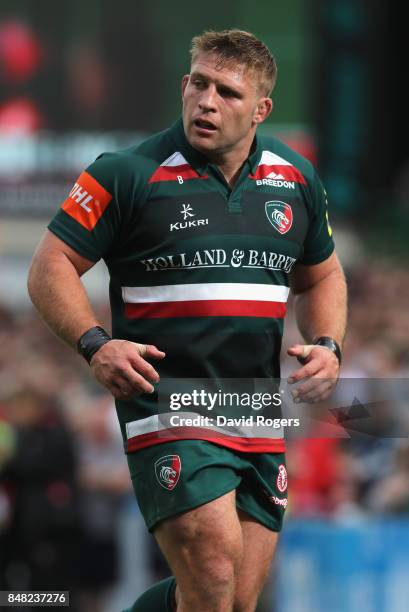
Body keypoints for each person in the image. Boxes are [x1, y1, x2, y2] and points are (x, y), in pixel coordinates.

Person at [28, 29, 347, 612]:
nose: (206, 101)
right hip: (167, 401)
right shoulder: (124, 172)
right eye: (198, 84)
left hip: (254, 406)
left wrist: (328, 344)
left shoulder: (296, 178)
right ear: (184, 84)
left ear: (261, 109)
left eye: (227, 92)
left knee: (231, 599)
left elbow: (322, 275)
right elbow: (50, 267)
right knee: (216, 566)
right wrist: (96, 343)